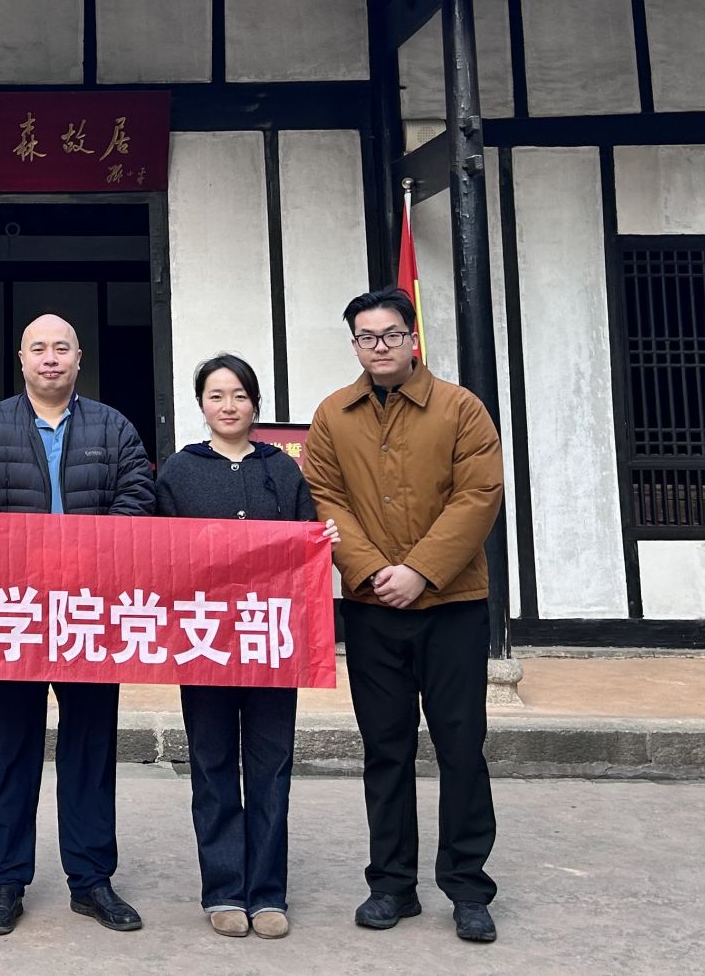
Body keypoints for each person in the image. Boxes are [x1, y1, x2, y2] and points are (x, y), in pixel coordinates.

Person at [300, 286, 505, 944]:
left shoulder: (460, 408)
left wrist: (420, 569)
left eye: (391, 334)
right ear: (355, 345)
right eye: (367, 337)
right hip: (372, 608)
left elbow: (479, 494)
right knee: (385, 749)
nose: (380, 346)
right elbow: (324, 495)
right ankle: (391, 884)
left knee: (460, 747)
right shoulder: (334, 415)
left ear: (413, 338)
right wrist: (367, 568)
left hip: (452, 604)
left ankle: (467, 887)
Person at [0, 313, 156, 937]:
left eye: (61, 348)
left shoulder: (112, 426)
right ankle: (4, 883)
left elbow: (137, 498)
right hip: (14, 611)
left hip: (89, 611)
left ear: (78, 357)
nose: (50, 358)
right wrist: (30, 565)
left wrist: (85, 562)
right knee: (7, 748)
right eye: (38, 348)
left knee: (90, 747)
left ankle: (91, 880)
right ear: (21, 359)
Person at [156, 354, 333, 941]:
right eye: (216, 395)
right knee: (211, 766)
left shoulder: (281, 469)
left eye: (238, 395)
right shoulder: (179, 472)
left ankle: (268, 892)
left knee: (270, 765)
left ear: (255, 404)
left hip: (270, 640)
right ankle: (224, 889)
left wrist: (322, 540)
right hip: (203, 641)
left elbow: (306, 548)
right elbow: (159, 555)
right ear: (200, 404)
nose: (228, 406)